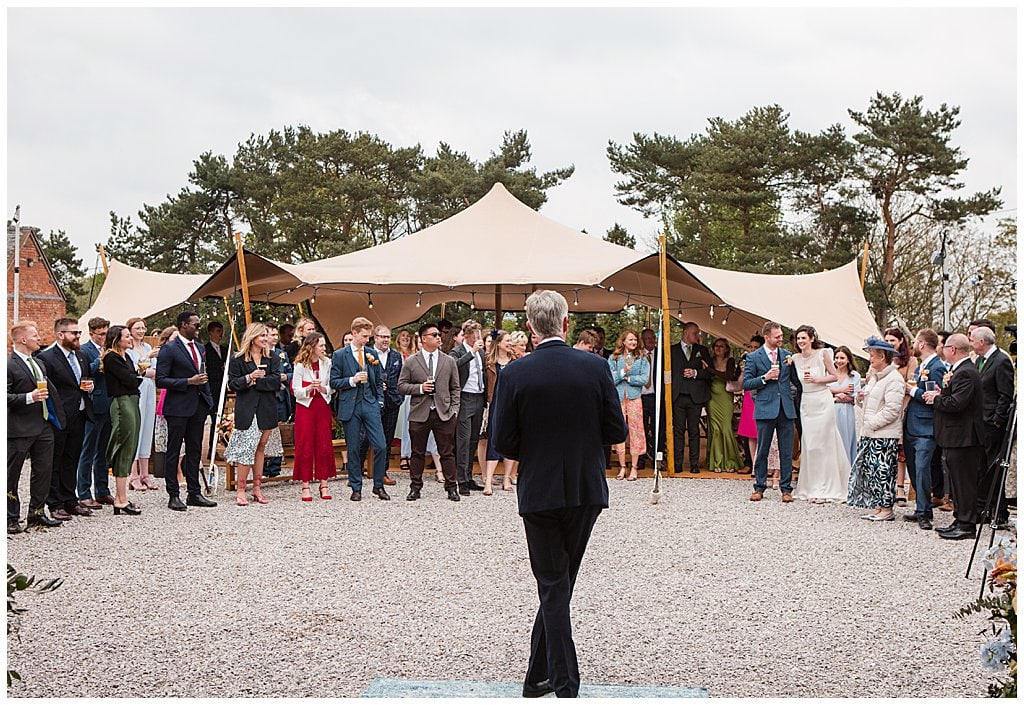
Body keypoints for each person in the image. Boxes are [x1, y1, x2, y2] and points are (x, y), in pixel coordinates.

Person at [491, 290, 627, 699]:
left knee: (554, 583)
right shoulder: (596, 367)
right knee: (559, 583)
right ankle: (538, 678)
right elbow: (616, 431)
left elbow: (503, 441)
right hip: (584, 488)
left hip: (540, 490)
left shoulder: (515, 374)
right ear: (565, 324)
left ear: (530, 327)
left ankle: (564, 683)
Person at [922, 333, 986, 540]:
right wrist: (943, 393)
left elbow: (958, 404)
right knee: (957, 482)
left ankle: (967, 525)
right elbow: (955, 397)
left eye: (944, 346)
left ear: (953, 350)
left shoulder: (966, 372)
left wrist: (937, 397)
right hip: (955, 436)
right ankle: (960, 519)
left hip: (964, 437)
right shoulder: (958, 371)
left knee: (964, 481)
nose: (942, 349)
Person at [155, 310, 217, 512]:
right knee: (174, 451)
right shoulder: (169, 349)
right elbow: (161, 379)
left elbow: (204, 374)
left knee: (195, 450)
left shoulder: (199, 348)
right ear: (183, 325)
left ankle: (194, 492)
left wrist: (208, 401)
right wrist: (187, 382)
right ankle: (173, 494)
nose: (199, 328)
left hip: (198, 405)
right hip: (178, 406)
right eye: (196, 325)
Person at [37, 318, 95, 521]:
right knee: (56, 460)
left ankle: (70, 500)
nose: (78, 336)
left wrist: (90, 387)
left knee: (72, 458)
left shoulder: (81, 356)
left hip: (79, 414)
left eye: (79, 333)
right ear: (60, 335)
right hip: (58, 417)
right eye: (74, 333)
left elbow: (86, 380)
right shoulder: (46, 358)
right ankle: (55, 503)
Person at [7, 321, 63, 531]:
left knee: (43, 471)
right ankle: (10, 517)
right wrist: (28, 397)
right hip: (19, 428)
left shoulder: (38, 363)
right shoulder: (9, 365)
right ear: (23, 339)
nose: (39, 338)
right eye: (35, 335)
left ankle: (37, 512)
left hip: (43, 425)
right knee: (12, 474)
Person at [397, 322, 462, 502]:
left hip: (444, 413)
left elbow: (456, 387)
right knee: (417, 453)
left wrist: (454, 410)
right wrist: (419, 388)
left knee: (447, 452)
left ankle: (451, 487)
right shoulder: (411, 361)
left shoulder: (448, 360)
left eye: (438, 335)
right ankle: (415, 487)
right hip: (419, 412)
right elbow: (401, 386)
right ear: (423, 338)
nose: (438, 337)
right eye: (434, 335)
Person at [330, 317, 390, 502]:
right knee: (354, 448)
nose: (367, 340)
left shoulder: (372, 353)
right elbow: (333, 382)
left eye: (368, 336)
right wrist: (352, 380)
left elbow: (379, 381)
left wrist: (379, 401)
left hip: (370, 403)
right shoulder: (340, 355)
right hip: (350, 405)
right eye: (364, 336)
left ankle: (378, 485)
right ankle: (356, 487)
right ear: (354, 333)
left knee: (380, 445)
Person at [846, 337, 905, 521]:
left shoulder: (894, 379)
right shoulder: (874, 379)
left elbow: (892, 410)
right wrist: (860, 398)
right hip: (870, 433)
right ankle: (878, 505)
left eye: (872, 355)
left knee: (884, 470)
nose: (870, 359)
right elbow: (868, 402)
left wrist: (871, 423)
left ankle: (887, 508)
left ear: (882, 357)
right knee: (872, 470)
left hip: (884, 435)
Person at [790, 325, 850, 502]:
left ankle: (825, 488)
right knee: (810, 445)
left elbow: (834, 376)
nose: (801, 341)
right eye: (798, 338)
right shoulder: (794, 358)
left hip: (822, 401)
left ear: (811, 339)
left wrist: (817, 379)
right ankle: (811, 487)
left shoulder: (823, 354)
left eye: (803, 338)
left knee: (824, 444)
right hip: (807, 403)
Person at [224, 322, 281, 506]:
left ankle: (257, 488)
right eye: (262, 335)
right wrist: (249, 378)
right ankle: (241, 489)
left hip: (267, 408)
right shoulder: (238, 359)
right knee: (247, 448)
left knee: (261, 447)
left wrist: (258, 382)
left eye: (266, 335)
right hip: (247, 409)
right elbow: (232, 384)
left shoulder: (273, 358)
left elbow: (276, 381)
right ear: (252, 337)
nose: (265, 339)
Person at [743, 321, 797, 502]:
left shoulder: (788, 355)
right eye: (777, 336)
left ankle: (786, 489)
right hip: (765, 408)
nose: (781, 339)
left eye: (781, 335)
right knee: (763, 449)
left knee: (786, 451)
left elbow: (795, 382)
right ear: (767, 337)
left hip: (786, 409)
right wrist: (765, 378)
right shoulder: (753, 357)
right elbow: (747, 383)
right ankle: (759, 487)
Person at [969, 326, 1015, 523]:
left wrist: (997, 419)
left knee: (993, 467)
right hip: (979, 421)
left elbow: (1005, 394)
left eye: (972, 340)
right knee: (981, 466)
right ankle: (983, 507)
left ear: (982, 341)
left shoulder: (1001, 360)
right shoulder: (980, 360)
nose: (970, 343)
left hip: (992, 423)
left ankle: (999, 510)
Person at [901, 330, 945, 531]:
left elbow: (931, 397)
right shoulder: (921, 366)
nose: (913, 345)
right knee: (914, 468)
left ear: (922, 344)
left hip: (926, 427)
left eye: (915, 342)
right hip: (912, 424)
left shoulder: (936, 367)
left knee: (921, 469)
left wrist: (912, 391)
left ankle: (924, 512)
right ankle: (923, 507)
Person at [101, 325, 144, 516]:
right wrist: (139, 375)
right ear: (117, 339)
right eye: (127, 336)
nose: (130, 338)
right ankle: (121, 499)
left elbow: (133, 379)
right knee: (124, 445)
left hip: (132, 400)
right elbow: (130, 380)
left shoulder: (125, 356)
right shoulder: (112, 357)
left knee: (131, 444)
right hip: (122, 402)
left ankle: (121, 497)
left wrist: (137, 376)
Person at [291, 332, 336, 501]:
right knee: (305, 444)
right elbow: (295, 391)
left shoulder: (327, 363)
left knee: (324, 443)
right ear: (312, 347)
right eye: (321, 345)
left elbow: (332, 386)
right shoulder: (300, 366)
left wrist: (324, 389)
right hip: (305, 408)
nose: (324, 348)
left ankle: (324, 483)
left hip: (322, 406)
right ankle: (305, 485)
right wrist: (309, 388)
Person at [76, 316, 114, 509]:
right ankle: (83, 492)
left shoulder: (109, 349)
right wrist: (98, 361)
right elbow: (83, 374)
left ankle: (102, 490)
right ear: (91, 333)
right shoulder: (84, 350)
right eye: (101, 334)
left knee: (103, 451)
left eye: (106, 333)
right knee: (88, 450)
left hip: (109, 403)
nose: (104, 337)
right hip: (94, 404)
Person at [358, 325, 402, 486]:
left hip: (392, 402)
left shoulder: (396, 356)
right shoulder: (366, 354)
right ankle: (357, 471)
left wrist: (399, 396)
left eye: (388, 337)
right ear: (375, 338)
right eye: (382, 336)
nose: (385, 340)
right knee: (364, 437)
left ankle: (382, 472)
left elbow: (400, 377)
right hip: (371, 402)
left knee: (387, 439)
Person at [450, 319, 488, 495]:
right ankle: (461, 479)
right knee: (463, 440)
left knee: (474, 438)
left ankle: (469, 475)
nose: (478, 337)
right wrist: (471, 352)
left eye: (479, 334)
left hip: (479, 397)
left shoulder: (481, 352)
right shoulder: (456, 352)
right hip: (464, 398)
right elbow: (453, 367)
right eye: (475, 334)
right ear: (466, 335)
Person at [607, 329, 649, 481]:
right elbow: (609, 378)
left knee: (636, 431)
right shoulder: (614, 358)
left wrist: (630, 380)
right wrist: (623, 372)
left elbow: (644, 379)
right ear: (623, 341)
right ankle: (622, 466)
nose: (633, 342)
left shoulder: (642, 358)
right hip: (618, 399)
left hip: (634, 398)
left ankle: (634, 467)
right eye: (630, 340)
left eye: (635, 340)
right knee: (619, 431)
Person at [670, 322, 711, 474]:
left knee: (694, 431)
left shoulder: (702, 351)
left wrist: (696, 373)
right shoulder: (671, 350)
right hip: (677, 396)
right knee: (678, 431)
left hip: (695, 397)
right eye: (695, 333)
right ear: (686, 332)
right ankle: (677, 463)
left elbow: (710, 373)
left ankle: (694, 464)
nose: (698, 336)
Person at [883, 327, 918, 507]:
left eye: (892, 341)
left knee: (901, 451)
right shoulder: (882, 361)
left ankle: (900, 487)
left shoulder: (910, 361)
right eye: (887, 340)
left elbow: (911, 383)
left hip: (902, 408)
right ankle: (885, 486)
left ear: (900, 341)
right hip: (884, 408)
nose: (890, 344)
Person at [125, 317, 159, 491]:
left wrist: (147, 369)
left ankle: (145, 473)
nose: (141, 331)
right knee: (136, 428)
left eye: (143, 327)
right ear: (130, 330)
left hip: (149, 388)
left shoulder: (147, 347)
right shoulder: (129, 349)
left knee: (147, 428)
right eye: (137, 328)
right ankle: (133, 474)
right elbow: (137, 369)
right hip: (137, 388)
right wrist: (146, 365)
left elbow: (154, 370)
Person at [706, 337, 744, 474]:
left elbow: (729, 376)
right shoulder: (710, 360)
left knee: (726, 428)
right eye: (716, 346)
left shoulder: (730, 361)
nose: (718, 348)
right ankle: (716, 461)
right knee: (715, 429)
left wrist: (710, 370)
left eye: (722, 346)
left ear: (727, 349)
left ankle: (731, 460)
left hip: (725, 396)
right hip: (712, 398)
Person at [261, 323, 291, 479]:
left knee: (279, 430)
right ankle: (264, 466)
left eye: (274, 334)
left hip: (280, 397)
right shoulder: (260, 354)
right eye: (270, 334)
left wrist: (287, 377)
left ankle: (275, 467)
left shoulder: (281, 354)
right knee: (266, 431)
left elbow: (290, 371)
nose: (273, 337)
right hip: (266, 396)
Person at [827, 346, 861, 468]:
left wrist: (844, 396)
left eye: (842, 358)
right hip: (831, 410)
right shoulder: (830, 374)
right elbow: (824, 391)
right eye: (836, 358)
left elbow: (856, 396)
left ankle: (847, 470)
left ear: (848, 359)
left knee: (845, 439)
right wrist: (839, 392)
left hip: (847, 411)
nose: (839, 360)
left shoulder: (854, 376)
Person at [736, 335, 764, 473]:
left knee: (761, 433)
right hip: (748, 396)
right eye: (751, 347)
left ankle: (763, 465)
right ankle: (754, 466)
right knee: (750, 433)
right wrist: (742, 371)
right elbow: (741, 382)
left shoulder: (766, 361)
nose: (752, 350)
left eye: (756, 347)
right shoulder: (747, 361)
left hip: (761, 396)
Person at [204, 320, 229, 455]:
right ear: (211, 332)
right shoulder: (205, 349)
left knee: (218, 419)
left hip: (221, 387)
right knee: (211, 417)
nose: (220, 334)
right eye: (218, 331)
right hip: (210, 387)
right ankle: (210, 449)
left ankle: (215, 448)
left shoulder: (224, 350)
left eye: (221, 331)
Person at [638, 327, 659, 470]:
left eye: (653, 337)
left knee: (658, 429)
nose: (651, 340)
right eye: (648, 338)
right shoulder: (638, 355)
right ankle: (640, 460)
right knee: (641, 429)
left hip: (656, 396)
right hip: (640, 397)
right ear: (643, 340)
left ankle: (657, 458)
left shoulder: (661, 354)